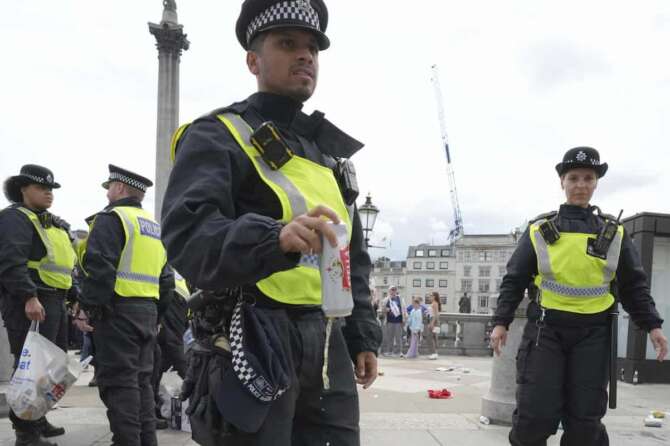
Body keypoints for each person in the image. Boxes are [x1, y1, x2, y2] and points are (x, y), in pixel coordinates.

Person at [160, 1, 382, 444]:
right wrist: (273, 239)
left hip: (327, 344)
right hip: (251, 335)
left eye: (312, 49)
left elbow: (351, 260)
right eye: (288, 44)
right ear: (253, 60)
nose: (306, 56)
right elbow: (188, 235)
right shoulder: (218, 134)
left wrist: (363, 338)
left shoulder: (329, 156)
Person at [489, 147, 668, 446]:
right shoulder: (539, 229)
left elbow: (634, 286)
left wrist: (653, 325)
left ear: (596, 183)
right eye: (574, 178)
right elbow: (514, 279)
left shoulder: (615, 234)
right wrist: (500, 322)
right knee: (534, 416)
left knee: (585, 422)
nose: (581, 185)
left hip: (594, 335)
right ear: (562, 182)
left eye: (588, 178)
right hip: (545, 332)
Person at [78, 165, 174, 446]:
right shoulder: (153, 226)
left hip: (117, 313)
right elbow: (166, 279)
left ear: (119, 188)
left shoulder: (112, 218)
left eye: (109, 187)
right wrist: (159, 315)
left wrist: (88, 309)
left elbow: (100, 269)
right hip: (147, 313)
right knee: (142, 384)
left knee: (120, 385)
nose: (107, 192)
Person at [0, 164, 76, 446]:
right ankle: (25, 434)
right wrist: (28, 296)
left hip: (53, 300)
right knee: (31, 369)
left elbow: (63, 265)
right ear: (23, 190)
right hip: (30, 302)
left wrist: (74, 297)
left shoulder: (49, 221)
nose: (48, 193)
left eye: (51, 189)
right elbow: (10, 262)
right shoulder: (15, 219)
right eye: (41, 188)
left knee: (51, 367)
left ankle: (38, 419)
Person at [382, 286, 405, 356]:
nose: (393, 291)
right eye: (391, 290)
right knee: (390, 337)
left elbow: (404, 309)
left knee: (398, 337)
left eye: (394, 290)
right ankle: (390, 351)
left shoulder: (400, 299)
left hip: (398, 321)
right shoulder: (386, 299)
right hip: (389, 321)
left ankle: (399, 352)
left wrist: (404, 319)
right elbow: (383, 309)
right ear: (389, 291)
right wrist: (386, 309)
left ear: (396, 291)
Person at [428, 291, 442, 360]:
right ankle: (435, 353)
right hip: (434, 320)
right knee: (433, 338)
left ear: (434, 296)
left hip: (434, 321)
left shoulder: (435, 303)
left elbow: (436, 314)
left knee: (431, 337)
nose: (429, 296)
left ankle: (434, 353)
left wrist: (432, 323)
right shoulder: (433, 303)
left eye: (431, 295)